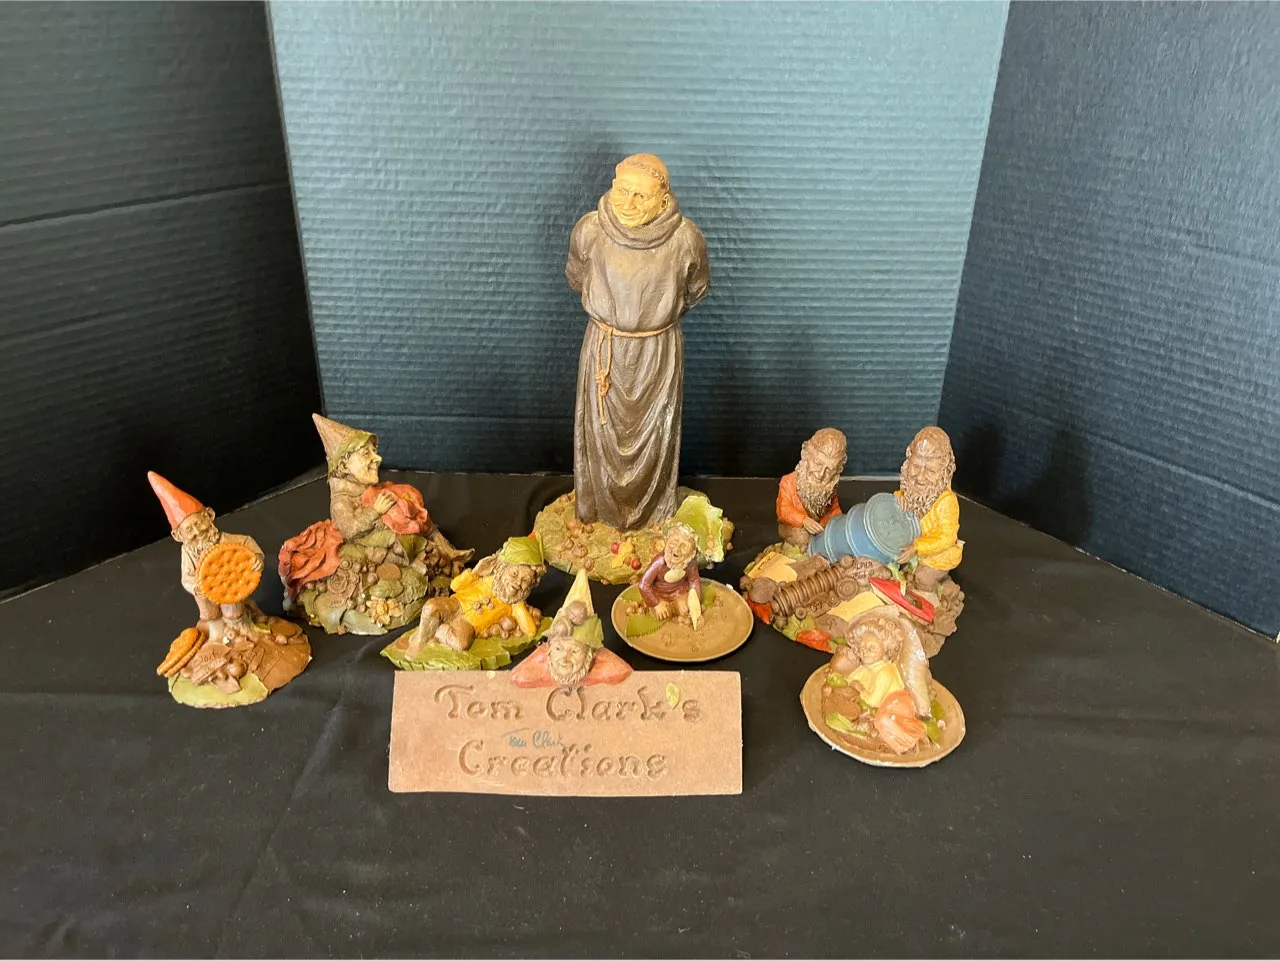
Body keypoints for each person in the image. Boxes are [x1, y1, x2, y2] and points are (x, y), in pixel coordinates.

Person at [566, 153, 710, 531]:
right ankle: (600, 510)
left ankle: (653, 514)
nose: (628, 203)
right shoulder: (590, 231)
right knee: (601, 433)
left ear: (663, 201)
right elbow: (577, 276)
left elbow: (695, 290)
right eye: (622, 191)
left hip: (657, 353)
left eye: (641, 196)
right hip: (606, 351)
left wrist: (652, 317)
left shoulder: (686, 240)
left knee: (656, 434)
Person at [148, 471, 262, 632]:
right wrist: (195, 587)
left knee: (233, 611)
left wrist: (257, 558)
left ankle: (240, 630)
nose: (198, 532)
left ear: (209, 515)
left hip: (229, 587)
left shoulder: (227, 541)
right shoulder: (188, 552)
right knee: (209, 613)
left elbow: (247, 543)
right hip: (205, 594)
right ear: (178, 535)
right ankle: (216, 634)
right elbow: (186, 578)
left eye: (199, 523)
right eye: (189, 530)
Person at [894, 426, 963, 591]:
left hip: (935, 557)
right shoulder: (910, 488)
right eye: (916, 466)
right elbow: (905, 501)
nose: (920, 477)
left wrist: (917, 547)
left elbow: (947, 537)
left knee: (922, 580)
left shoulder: (947, 502)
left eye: (931, 470)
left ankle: (943, 591)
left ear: (944, 472)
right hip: (910, 549)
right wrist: (899, 497)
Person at [776, 428, 847, 549]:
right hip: (793, 526)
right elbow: (783, 510)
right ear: (806, 454)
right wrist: (803, 520)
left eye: (830, 470)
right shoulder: (788, 481)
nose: (820, 474)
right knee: (802, 536)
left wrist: (839, 524)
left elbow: (833, 510)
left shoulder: (828, 488)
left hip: (818, 528)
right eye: (817, 464)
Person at [637, 523, 702, 623]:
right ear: (666, 540)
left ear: (692, 552)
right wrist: (656, 603)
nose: (676, 549)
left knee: (684, 610)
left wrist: (695, 601)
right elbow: (644, 584)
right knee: (662, 614)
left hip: (680, 592)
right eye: (674, 542)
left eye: (684, 546)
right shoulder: (659, 562)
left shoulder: (690, 564)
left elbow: (694, 581)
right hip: (660, 594)